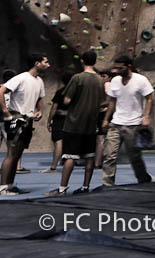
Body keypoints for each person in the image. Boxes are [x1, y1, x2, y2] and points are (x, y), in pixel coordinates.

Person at [46, 51, 105, 196]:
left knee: (70, 156)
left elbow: (66, 100)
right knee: (89, 156)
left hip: (74, 123)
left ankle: (62, 188)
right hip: (91, 124)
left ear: (82, 60)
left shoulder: (77, 78)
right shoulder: (99, 80)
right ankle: (85, 187)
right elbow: (102, 102)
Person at [0, 54, 50, 194]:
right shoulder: (21, 78)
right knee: (11, 153)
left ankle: (10, 185)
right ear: (37, 63)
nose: (48, 65)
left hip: (28, 119)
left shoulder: (39, 81)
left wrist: (40, 110)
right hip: (16, 118)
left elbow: (40, 97)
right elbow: (2, 90)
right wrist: (6, 112)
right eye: (46, 62)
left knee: (17, 154)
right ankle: (2, 187)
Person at [101, 55, 153, 186]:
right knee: (109, 155)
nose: (117, 71)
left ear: (128, 66)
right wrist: (106, 119)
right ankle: (107, 184)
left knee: (134, 156)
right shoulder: (115, 81)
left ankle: (143, 179)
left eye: (120, 68)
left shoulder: (141, 80)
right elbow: (112, 101)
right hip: (116, 122)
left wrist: (146, 117)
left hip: (133, 124)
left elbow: (149, 98)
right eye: (115, 68)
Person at [41, 71, 74, 173]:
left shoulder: (60, 92)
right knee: (70, 141)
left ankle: (53, 167)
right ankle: (68, 163)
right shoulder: (77, 92)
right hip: (73, 119)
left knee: (58, 141)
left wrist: (49, 120)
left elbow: (54, 108)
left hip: (60, 119)